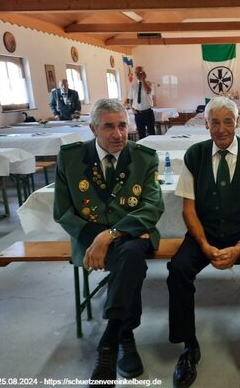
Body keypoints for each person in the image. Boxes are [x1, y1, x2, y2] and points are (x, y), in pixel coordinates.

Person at [53, 98, 164, 387]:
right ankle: (124, 337)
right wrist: (97, 239)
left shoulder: (144, 157)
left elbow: (152, 207)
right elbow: (63, 212)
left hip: (129, 235)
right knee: (131, 259)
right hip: (91, 239)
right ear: (93, 129)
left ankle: (110, 341)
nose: (118, 134)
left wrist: (109, 236)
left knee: (131, 252)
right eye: (109, 127)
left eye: (122, 126)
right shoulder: (71, 158)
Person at [167, 96, 240, 388]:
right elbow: (188, 210)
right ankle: (189, 347)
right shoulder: (195, 155)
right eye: (214, 122)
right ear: (206, 124)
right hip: (207, 232)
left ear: (237, 122)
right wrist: (204, 246)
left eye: (228, 121)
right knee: (178, 270)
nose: (221, 128)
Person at [127, 66, 156, 139]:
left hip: (148, 112)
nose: (137, 74)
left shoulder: (149, 83)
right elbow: (130, 99)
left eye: (139, 72)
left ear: (143, 73)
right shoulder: (133, 85)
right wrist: (132, 109)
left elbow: (148, 91)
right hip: (138, 113)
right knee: (141, 134)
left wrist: (143, 80)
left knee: (151, 133)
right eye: (136, 73)